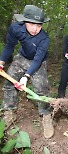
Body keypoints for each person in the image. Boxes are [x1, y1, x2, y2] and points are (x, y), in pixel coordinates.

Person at [0, 5, 54, 139]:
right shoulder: (15, 28)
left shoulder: (44, 39)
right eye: (31, 24)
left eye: (39, 25)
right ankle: (9, 111)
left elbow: (37, 60)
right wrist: (1, 62)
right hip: (22, 57)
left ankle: (46, 114)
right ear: (24, 21)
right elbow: (9, 46)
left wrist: (26, 76)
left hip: (38, 62)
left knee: (41, 88)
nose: (35, 29)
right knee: (9, 84)